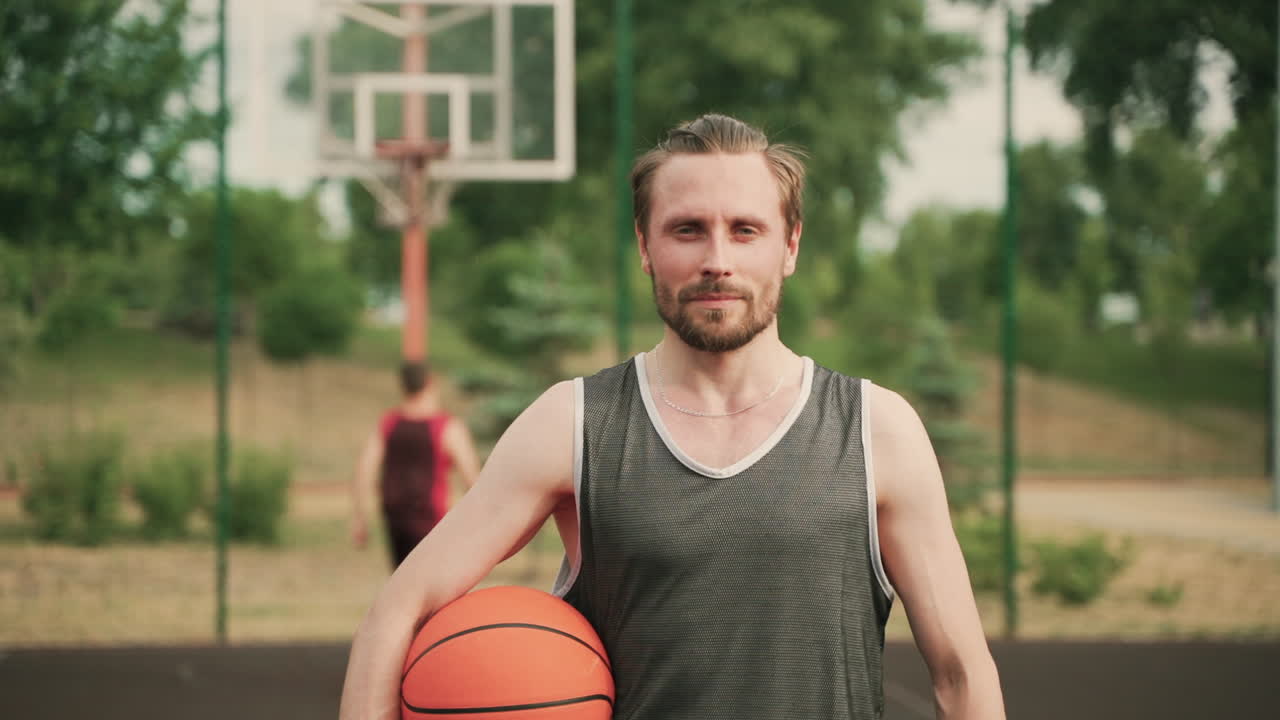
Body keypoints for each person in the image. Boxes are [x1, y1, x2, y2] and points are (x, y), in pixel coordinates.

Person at [339, 114, 1005, 719]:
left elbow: (961, 675)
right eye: (688, 229)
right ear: (645, 245)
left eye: (746, 229)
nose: (718, 259)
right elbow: (398, 608)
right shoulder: (573, 424)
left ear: (791, 246)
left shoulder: (875, 428)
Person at [351, 361, 481, 568]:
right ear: (431, 383)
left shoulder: (389, 423)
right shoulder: (446, 427)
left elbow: (365, 469)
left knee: (402, 579)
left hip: (394, 516)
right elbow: (472, 480)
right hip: (430, 517)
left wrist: (360, 517)